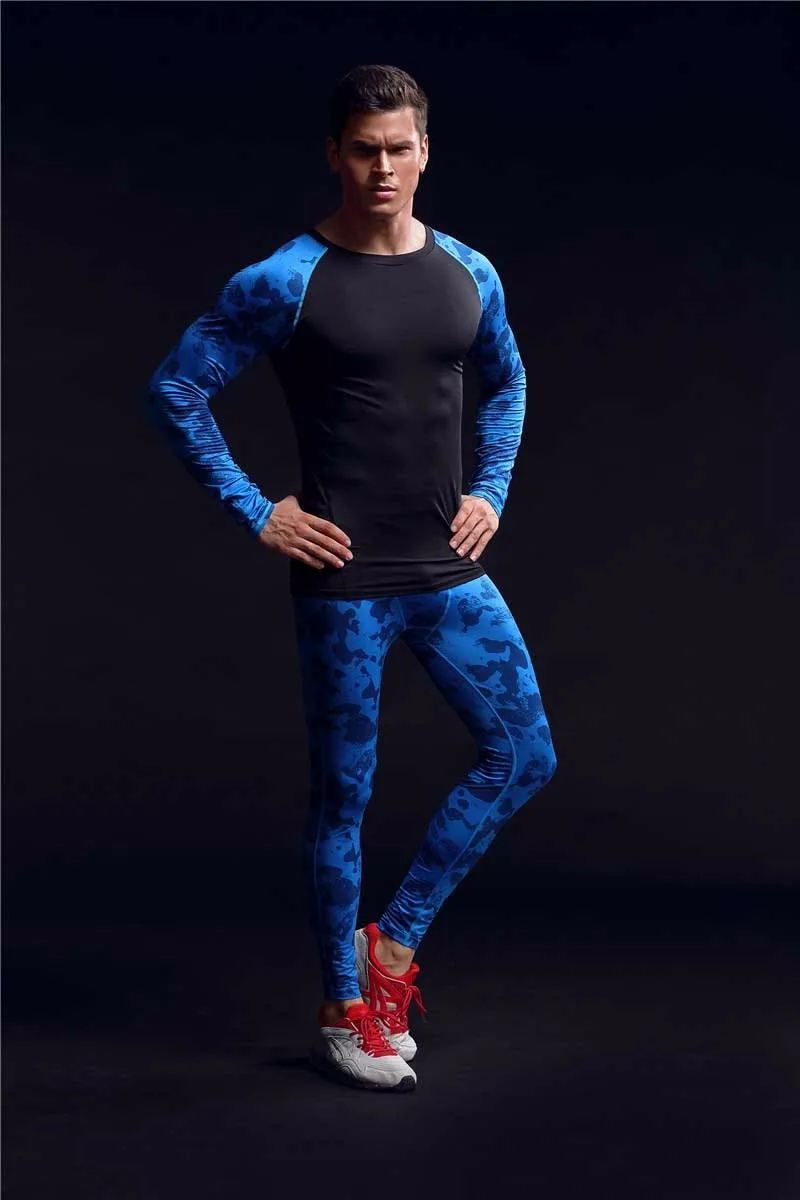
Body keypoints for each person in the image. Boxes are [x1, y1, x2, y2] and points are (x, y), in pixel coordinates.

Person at [145, 63, 557, 1093]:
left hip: (446, 570)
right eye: (363, 149)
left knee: (524, 754)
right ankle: (341, 1012)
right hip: (345, 585)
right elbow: (178, 388)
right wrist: (259, 510)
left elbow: (506, 381)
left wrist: (492, 488)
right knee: (344, 800)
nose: (382, 168)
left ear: (425, 153)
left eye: (399, 149)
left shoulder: (468, 271)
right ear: (334, 154)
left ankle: (392, 946)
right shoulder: (286, 280)